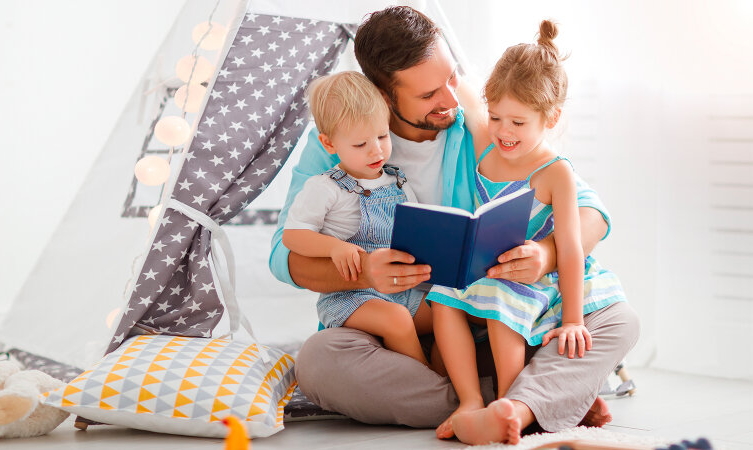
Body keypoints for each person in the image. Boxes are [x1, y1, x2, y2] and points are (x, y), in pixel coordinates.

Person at [268, 6, 639, 445]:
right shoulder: (340, 136)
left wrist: (545, 255)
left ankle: (510, 404)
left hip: (492, 316)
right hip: (404, 339)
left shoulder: (479, 120)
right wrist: (367, 270)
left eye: (451, 77)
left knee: (618, 319)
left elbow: (589, 211)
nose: (450, 97)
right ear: (385, 96)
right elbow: (283, 257)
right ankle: (537, 400)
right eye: (428, 95)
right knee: (319, 362)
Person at [427, 20, 628, 445]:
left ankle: (509, 400)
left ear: (550, 117)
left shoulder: (556, 172)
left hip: (538, 280)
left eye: (518, 122)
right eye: (496, 117)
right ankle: (469, 402)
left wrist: (573, 320)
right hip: (495, 268)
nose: (503, 131)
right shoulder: (488, 154)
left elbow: (571, 250)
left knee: (504, 304)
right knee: (443, 299)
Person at [282, 71, 432, 366]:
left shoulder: (398, 181)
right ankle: (429, 383)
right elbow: (293, 235)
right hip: (351, 296)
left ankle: (459, 386)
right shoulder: (325, 187)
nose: (376, 149)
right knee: (398, 321)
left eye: (381, 136)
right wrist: (334, 248)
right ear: (329, 144)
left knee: (449, 311)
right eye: (361, 144)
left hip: (403, 290)